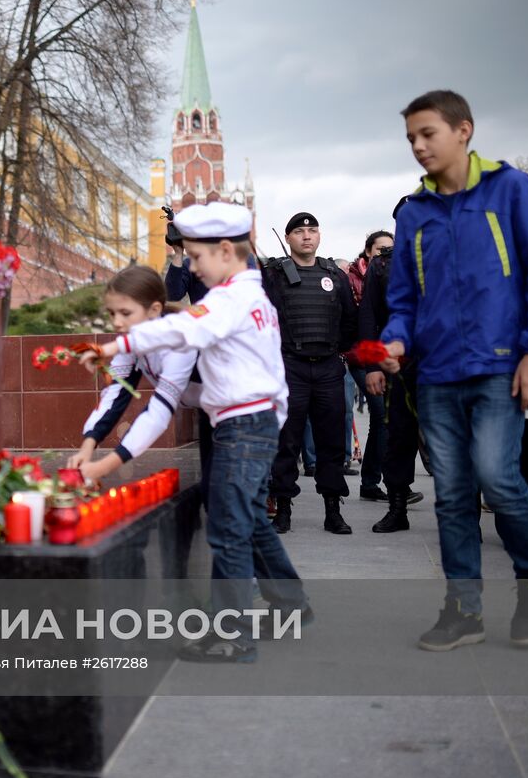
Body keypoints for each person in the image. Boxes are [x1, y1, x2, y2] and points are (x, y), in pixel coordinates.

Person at [381, 89, 528, 651]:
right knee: (453, 494)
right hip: (436, 375)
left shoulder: (509, 188)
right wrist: (394, 340)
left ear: (464, 130)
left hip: (499, 366)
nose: (417, 146)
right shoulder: (413, 212)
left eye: (427, 133)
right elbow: (404, 300)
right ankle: (464, 609)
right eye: (411, 137)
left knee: (498, 477)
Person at [88, 201, 305, 663]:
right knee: (241, 516)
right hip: (247, 422)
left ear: (226, 250)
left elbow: (182, 329)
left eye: (196, 256)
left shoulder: (232, 298)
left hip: (245, 424)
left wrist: (115, 344)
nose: (191, 265)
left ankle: (234, 635)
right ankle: (289, 602)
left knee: (228, 526)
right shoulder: (247, 294)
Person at [262, 212, 358, 534]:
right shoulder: (273, 276)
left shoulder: (334, 274)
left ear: (319, 236)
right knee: (285, 441)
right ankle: (284, 509)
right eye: (299, 231)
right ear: (288, 238)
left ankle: (333, 510)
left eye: (312, 230)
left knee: (331, 442)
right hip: (290, 367)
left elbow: (349, 321)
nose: (306, 235)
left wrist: (335, 350)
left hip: (328, 367)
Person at [71, 266, 201, 485]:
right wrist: (88, 444)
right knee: (215, 494)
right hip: (210, 410)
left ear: (154, 309)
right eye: (112, 313)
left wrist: (105, 465)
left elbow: (160, 410)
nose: (117, 322)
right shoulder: (131, 342)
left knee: (229, 496)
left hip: (241, 411)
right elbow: (115, 394)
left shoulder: (180, 339)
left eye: (126, 313)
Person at [358, 224, 425, 533]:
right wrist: (372, 366)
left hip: (445, 362)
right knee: (398, 437)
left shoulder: (450, 252)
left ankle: (467, 518)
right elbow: (369, 314)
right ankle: (397, 508)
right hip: (399, 365)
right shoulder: (382, 264)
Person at [346, 231, 393, 500]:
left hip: (387, 355)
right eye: (380, 249)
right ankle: (381, 481)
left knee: (384, 420)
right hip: (361, 357)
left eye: (391, 249)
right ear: (367, 252)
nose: (386, 254)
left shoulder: (396, 274)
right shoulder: (352, 278)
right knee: (381, 415)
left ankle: (372, 482)